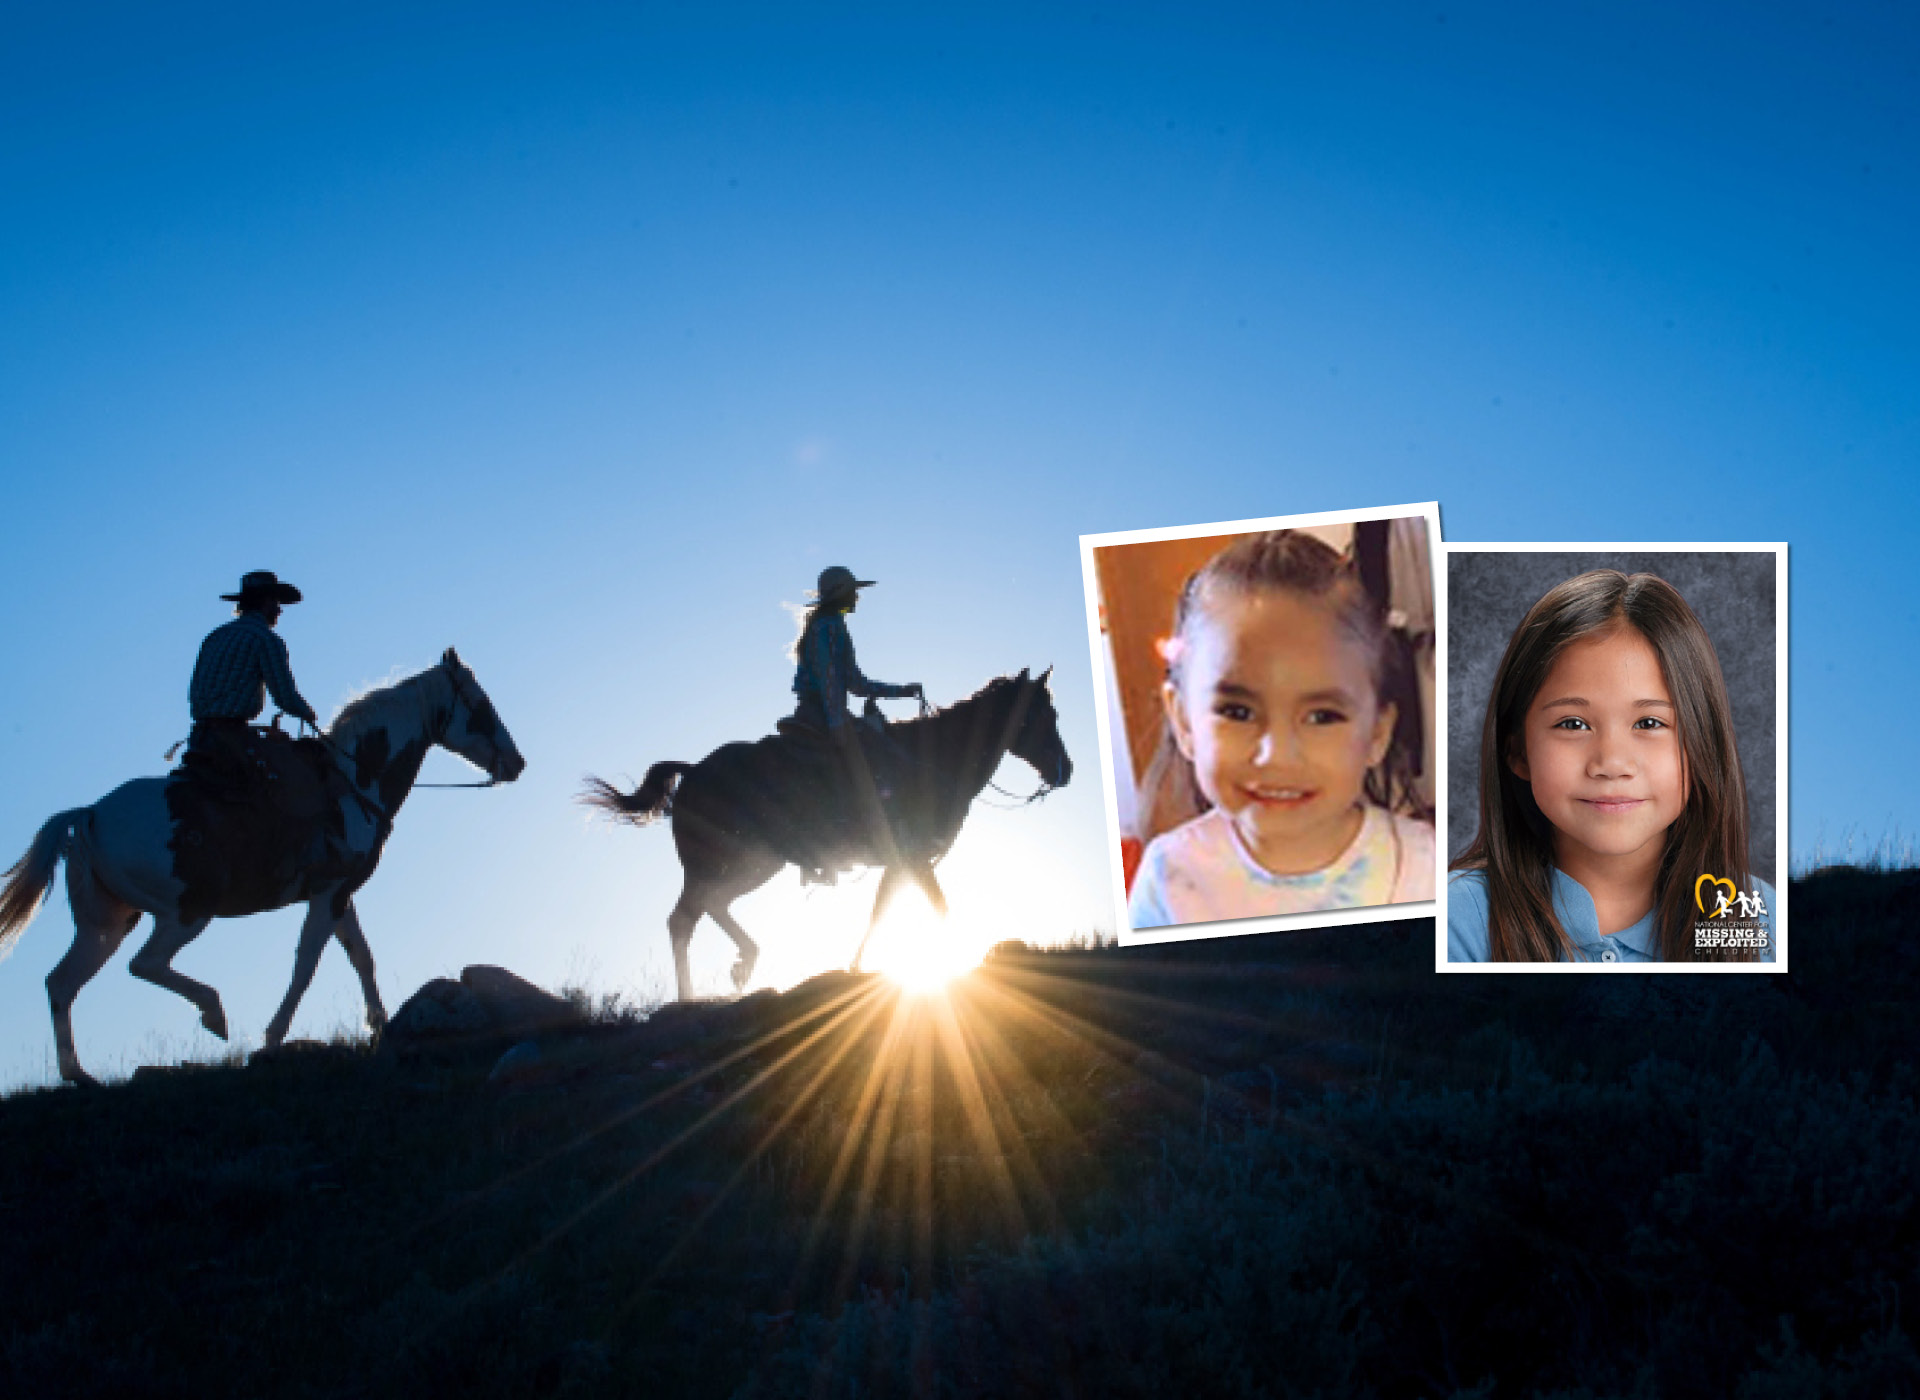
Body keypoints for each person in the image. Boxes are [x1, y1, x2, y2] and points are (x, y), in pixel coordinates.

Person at [1447, 570, 1774, 963]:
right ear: (1518, 752)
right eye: (1573, 724)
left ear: (1702, 745)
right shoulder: (1456, 922)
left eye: (1649, 723)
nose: (1612, 764)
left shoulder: (1761, 923)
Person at [1126, 531, 1435, 931]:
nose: (1276, 754)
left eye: (1322, 716)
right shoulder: (1168, 879)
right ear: (1184, 720)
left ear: (1377, 733)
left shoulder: (1427, 870)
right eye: (1237, 711)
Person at [786, 565, 924, 883]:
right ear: (842, 594)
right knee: (869, 756)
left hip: (824, 710)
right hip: (820, 713)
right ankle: (846, 841)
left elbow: (856, 683)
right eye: (854, 591)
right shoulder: (828, 627)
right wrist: (837, 724)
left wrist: (901, 691)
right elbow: (831, 680)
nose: (858, 596)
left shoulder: (832, 626)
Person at [182, 570, 320, 794]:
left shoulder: (215, 636)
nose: (279, 610)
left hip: (200, 737)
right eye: (276, 602)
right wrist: (307, 713)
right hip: (233, 741)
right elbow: (284, 696)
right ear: (266, 602)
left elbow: (194, 690)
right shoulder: (266, 639)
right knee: (294, 783)